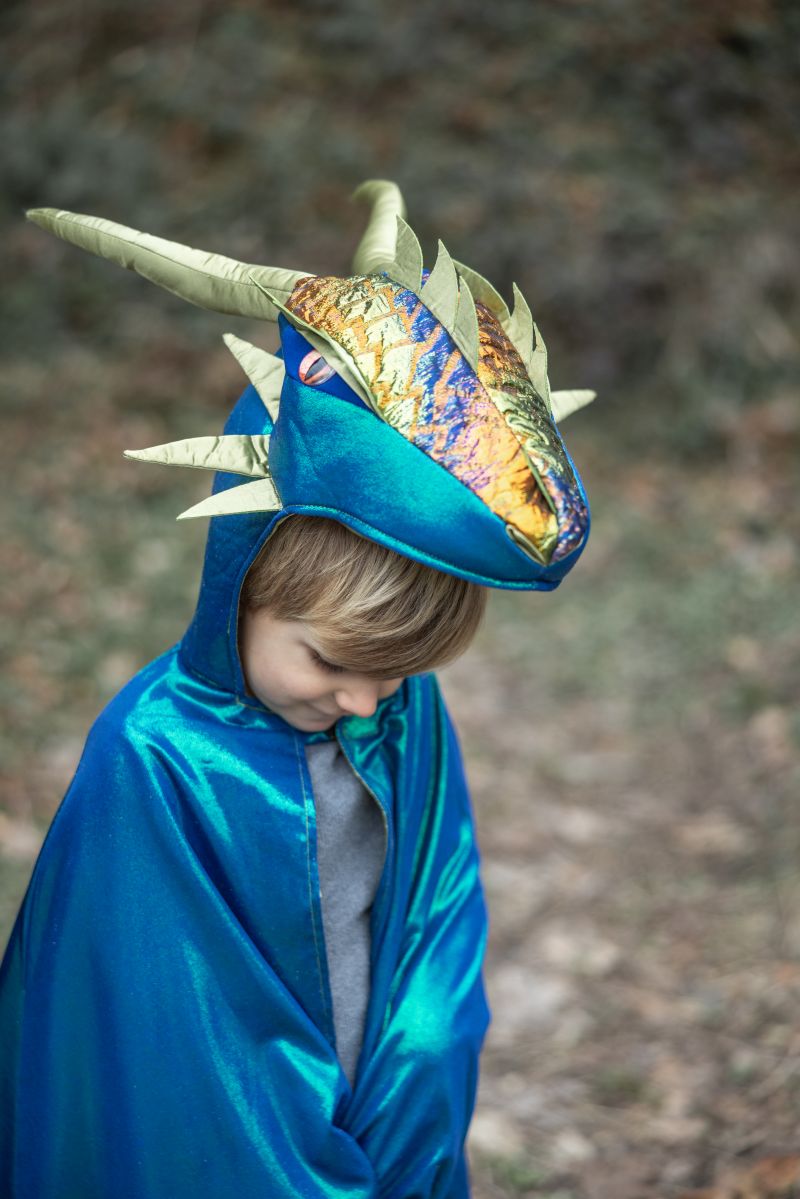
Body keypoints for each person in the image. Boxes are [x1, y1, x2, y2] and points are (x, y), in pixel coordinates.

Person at [0, 180, 595, 1198]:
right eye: (328, 661)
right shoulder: (156, 755)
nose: (365, 702)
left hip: (377, 1113)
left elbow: (436, 922)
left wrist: (411, 1097)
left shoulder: (401, 712)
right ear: (240, 582)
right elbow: (174, 1055)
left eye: (396, 671)